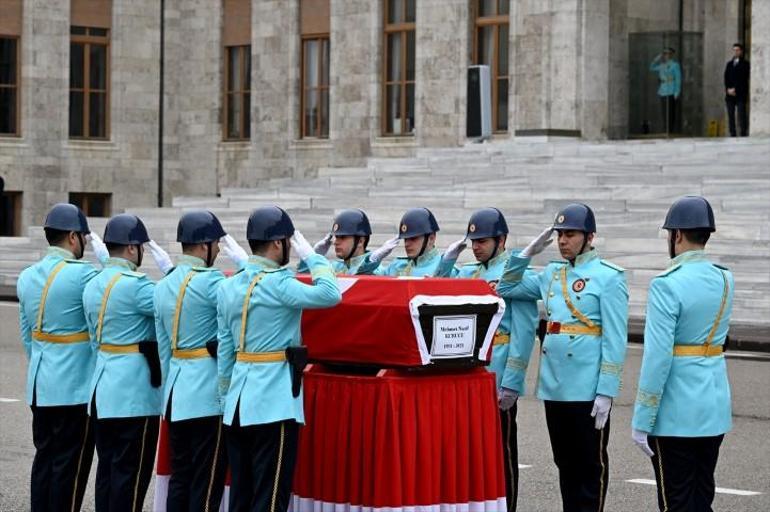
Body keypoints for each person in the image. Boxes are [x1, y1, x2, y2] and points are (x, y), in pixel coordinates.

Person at [497, 203, 628, 512]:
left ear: (590, 236)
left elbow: (615, 338)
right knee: (565, 464)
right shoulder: (552, 273)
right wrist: (525, 254)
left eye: (570, 234)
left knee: (589, 468)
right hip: (555, 386)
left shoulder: (609, 277)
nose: (563, 241)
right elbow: (507, 286)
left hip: (586, 388)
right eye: (559, 235)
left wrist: (606, 390)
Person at [217, 206, 341, 511]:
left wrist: (225, 397)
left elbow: (224, 350)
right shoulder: (279, 284)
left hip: (237, 403)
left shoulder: (228, 286)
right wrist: (313, 258)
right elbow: (330, 293)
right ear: (277, 244)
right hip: (273, 403)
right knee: (271, 495)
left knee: (242, 494)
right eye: (288, 241)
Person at [631, 196, 734, 512]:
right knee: (702, 494)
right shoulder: (724, 277)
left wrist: (642, 418)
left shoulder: (667, 284)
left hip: (677, 412)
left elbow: (658, 357)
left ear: (676, 235)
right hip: (714, 405)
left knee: (675, 500)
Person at [435, 207, 538, 512]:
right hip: (470, 374)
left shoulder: (516, 275)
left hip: (498, 372)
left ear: (501, 240)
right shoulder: (469, 272)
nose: (476, 246)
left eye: (482, 240)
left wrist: (513, 381)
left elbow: (523, 331)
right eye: (473, 241)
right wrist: (448, 260)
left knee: (501, 451)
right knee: (470, 451)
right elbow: (437, 285)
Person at [154, 210, 247, 510]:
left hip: (176, 393)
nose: (219, 250)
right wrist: (245, 262)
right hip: (207, 394)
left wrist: (169, 390)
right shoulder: (214, 283)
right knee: (206, 483)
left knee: (181, 477)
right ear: (205, 245)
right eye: (216, 244)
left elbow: (164, 349)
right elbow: (253, 288)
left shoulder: (163, 285)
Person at [82, 213, 172, 511]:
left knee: (107, 469)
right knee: (131, 475)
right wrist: (171, 271)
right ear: (133, 249)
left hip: (102, 387)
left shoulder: (93, 284)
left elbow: (95, 342)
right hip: (134, 394)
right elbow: (176, 302)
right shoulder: (138, 286)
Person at [17, 203, 98, 511]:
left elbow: (27, 335)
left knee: (44, 459)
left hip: (40, 383)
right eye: (85, 239)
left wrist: (43, 361)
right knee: (71, 466)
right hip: (75, 386)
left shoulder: (27, 277)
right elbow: (97, 328)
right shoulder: (85, 276)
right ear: (74, 238)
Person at [304, 208, 385, 275]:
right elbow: (305, 282)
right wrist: (313, 258)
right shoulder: (334, 267)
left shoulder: (377, 272)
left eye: (342, 237)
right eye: (336, 237)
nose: (335, 242)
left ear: (360, 241)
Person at [375, 207, 442, 277]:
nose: (406, 244)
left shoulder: (445, 270)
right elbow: (368, 282)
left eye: (413, 238)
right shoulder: (396, 267)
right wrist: (372, 260)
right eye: (405, 239)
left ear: (431, 239)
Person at [650, 47, 682, 133]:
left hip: (671, 90)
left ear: (671, 55)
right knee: (664, 113)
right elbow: (651, 67)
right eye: (665, 54)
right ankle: (665, 130)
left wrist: (677, 91)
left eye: (668, 54)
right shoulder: (662, 65)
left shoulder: (675, 65)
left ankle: (670, 130)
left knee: (671, 113)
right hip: (663, 91)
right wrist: (658, 57)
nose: (666, 56)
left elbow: (678, 78)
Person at [724, 43, 750, 137]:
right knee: (730, 115)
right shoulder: (729, 64)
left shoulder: (746, 64)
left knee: (741, 115)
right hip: (730, 94)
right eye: (734, 50)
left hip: (740, 94)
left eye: (737, 50)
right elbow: (726, 78)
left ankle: (743, 133)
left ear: (741, 51)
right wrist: (728, 89)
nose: (735, 52)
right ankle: (732, 133)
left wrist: (735, 89)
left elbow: (743, 79)